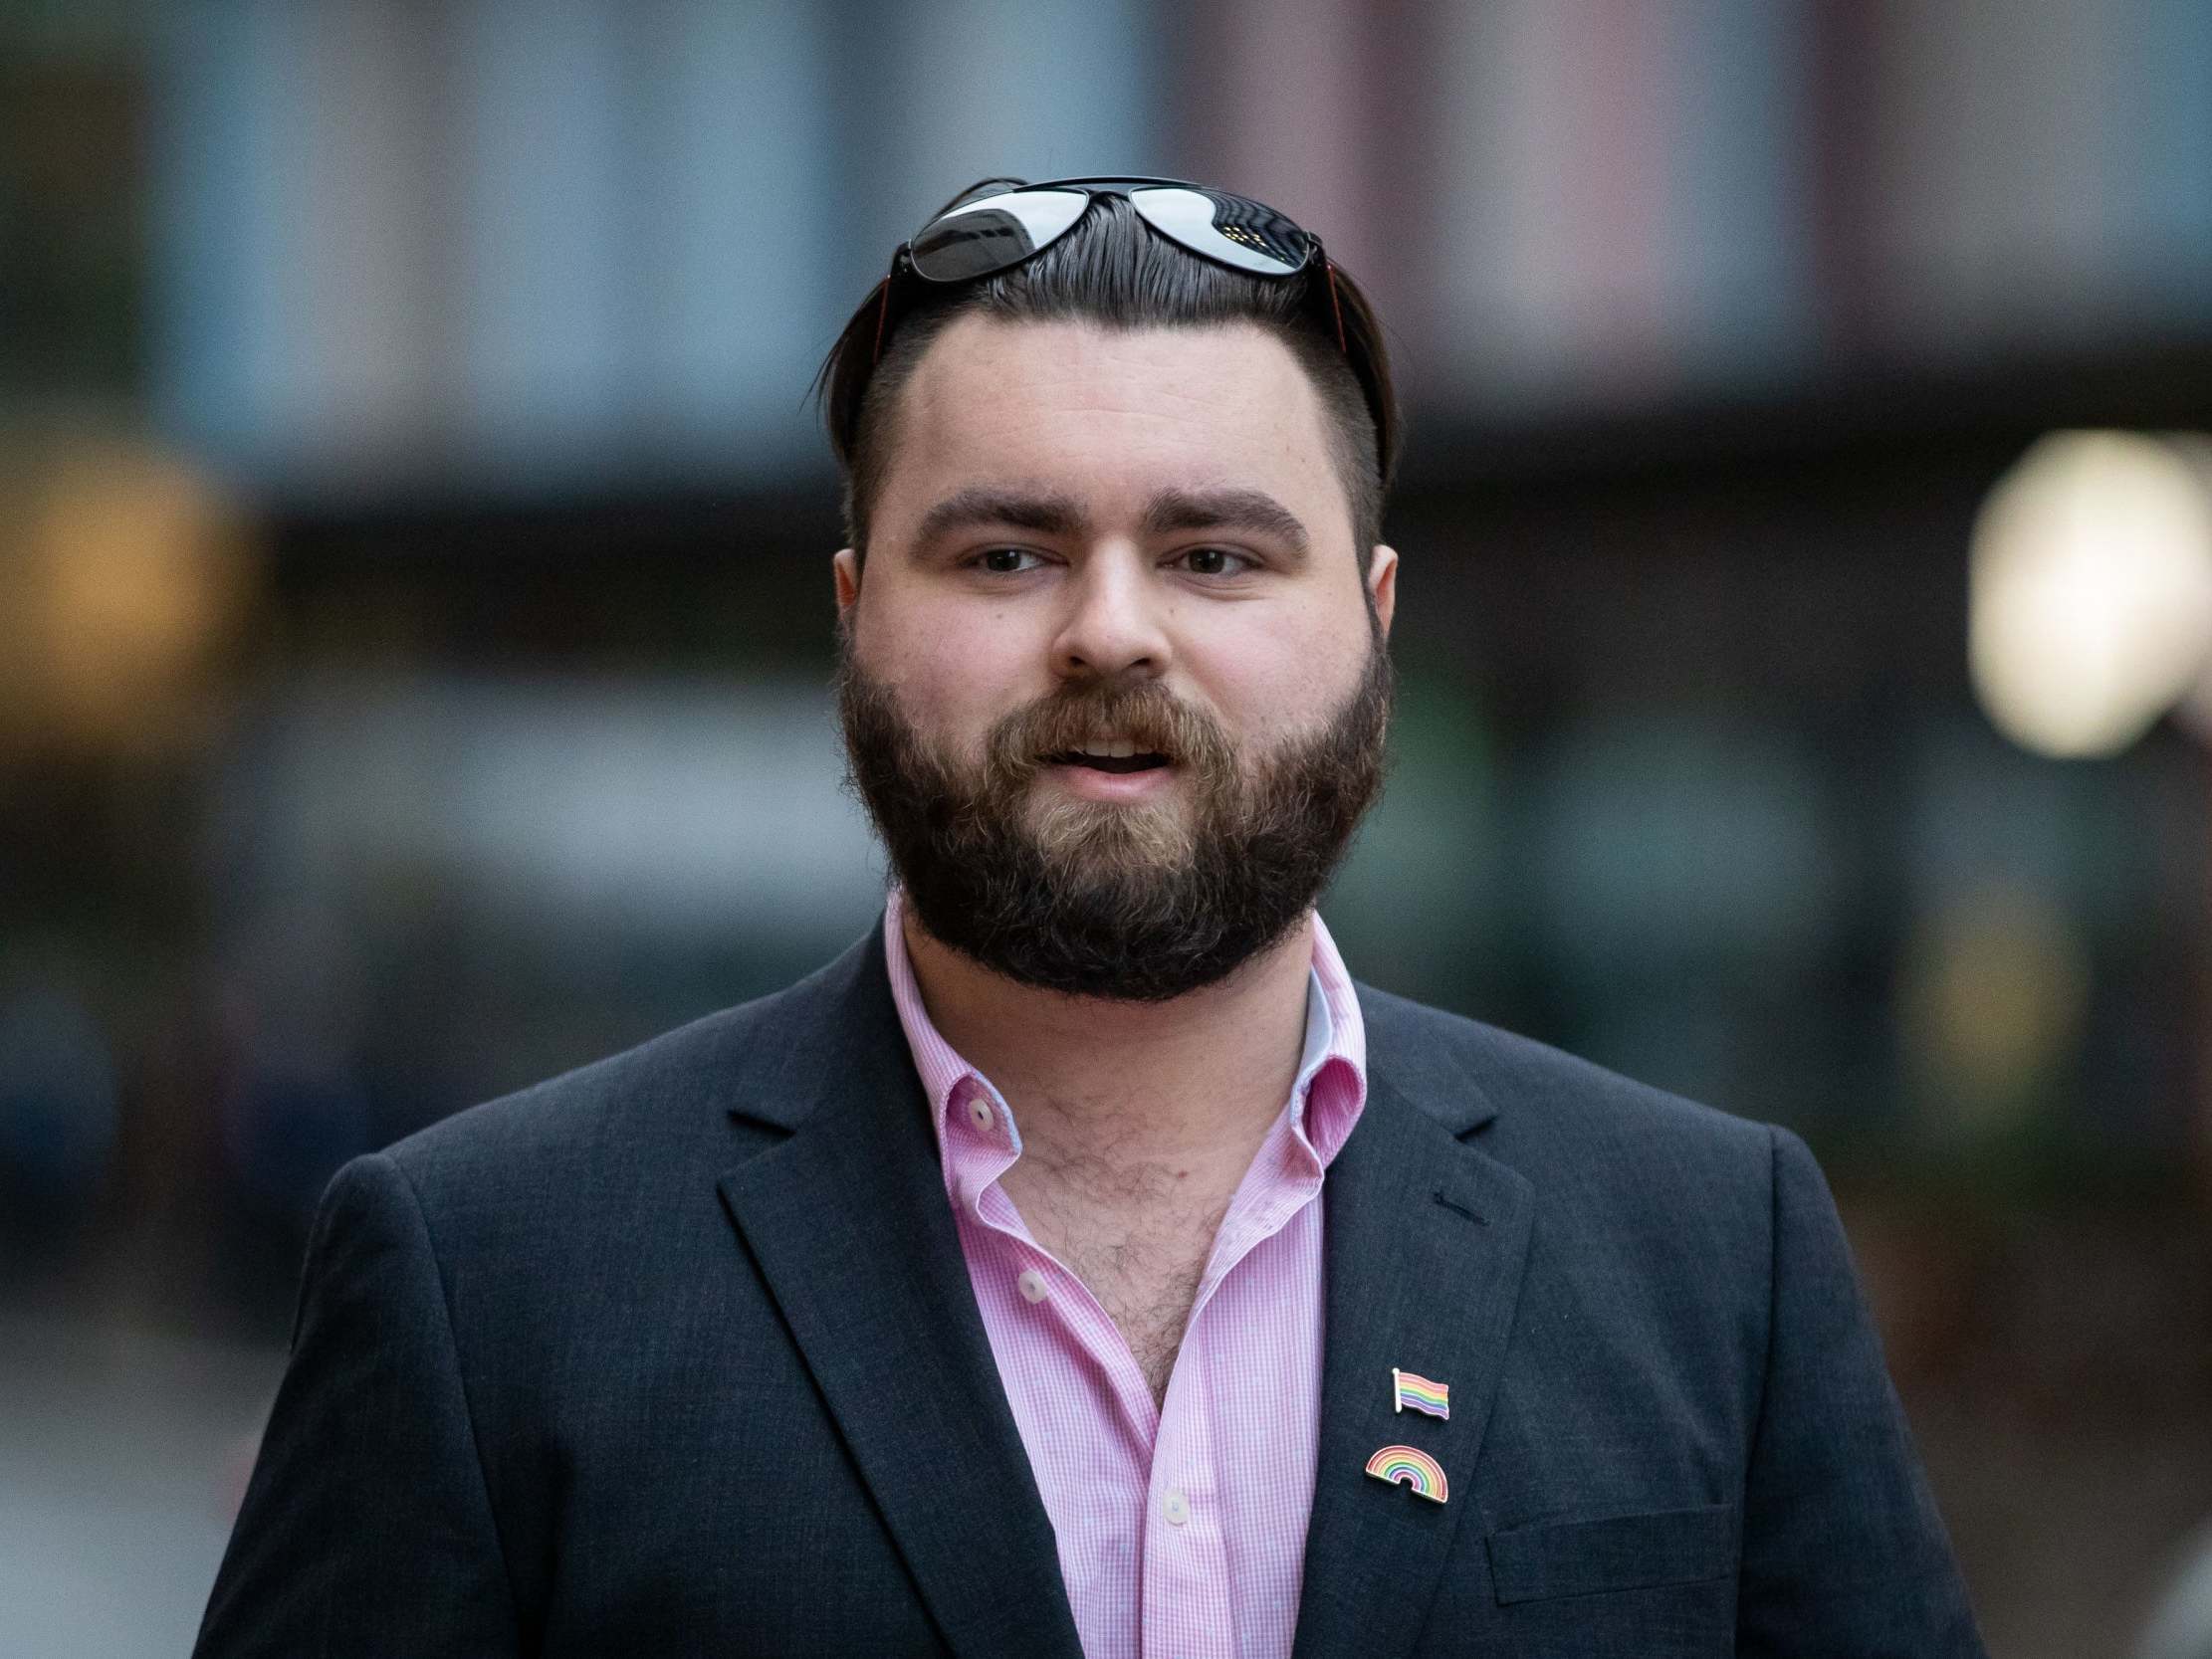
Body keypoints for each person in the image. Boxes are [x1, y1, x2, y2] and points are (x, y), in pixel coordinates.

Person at [194, 176, 1988, 1658]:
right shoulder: (487, 1277)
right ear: (853, 612)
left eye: (1214, 553)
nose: (1110, 632)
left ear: (1370, 617)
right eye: (1004, 555)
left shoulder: (1709, 1252)